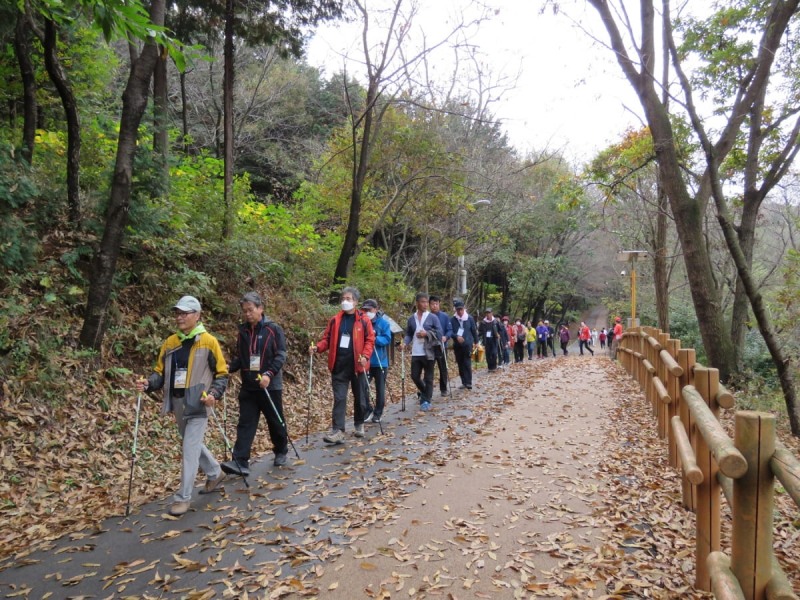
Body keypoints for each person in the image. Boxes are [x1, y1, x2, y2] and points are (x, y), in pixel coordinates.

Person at [134, 295, 228, 517]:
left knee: (189, 449)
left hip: (198, 403)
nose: (179, 317)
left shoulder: (208, 341)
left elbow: (222, 374)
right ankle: (215, 472)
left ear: (197, 315)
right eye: (177, 313)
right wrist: (148, 384)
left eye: (185, 313)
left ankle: (183, 498)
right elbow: (160, 373)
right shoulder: (170, 343)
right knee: (192, 444)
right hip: (177, 403)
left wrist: (213, 394)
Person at [223, 292, 289, 474]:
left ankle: (281, 449)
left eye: (251, 310)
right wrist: (228, 367)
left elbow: (281, 354)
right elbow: (241, 356)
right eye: (244, 311)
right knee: (245, 422)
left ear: (261, 309)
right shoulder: (243, 331)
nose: (247, 314)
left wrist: (269, 374)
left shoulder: (273, 329)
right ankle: (241, 460)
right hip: (249, 385)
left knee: (275, 420)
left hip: (269, 384)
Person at [310, 286, 375, 444]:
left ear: (356, 301)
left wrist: (366, 356)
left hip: (358, 366)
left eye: (349, 299)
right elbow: (327, 339)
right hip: (339, 365)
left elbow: (370, 340)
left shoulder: (363, 320)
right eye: (344, 299)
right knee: (339, 398)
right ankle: (338, 430)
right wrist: (317, 347)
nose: (345, 302)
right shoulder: (335, 320)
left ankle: (359, 424)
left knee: (360, 398)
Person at [403, 292, 442, 410]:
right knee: (414, 376)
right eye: (423, 302)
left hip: (429, 352)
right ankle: (426, 391)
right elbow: (409, 334)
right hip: (416, 352)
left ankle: (426, 401)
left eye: (426, 302)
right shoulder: (411, 318)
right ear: (417, 303)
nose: (425, 304)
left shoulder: (432, 317)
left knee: (428, 377)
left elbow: (439, 333)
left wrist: (426, 333)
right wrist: (405, 343)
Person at [361, 298, 392, 423]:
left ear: (376, 309)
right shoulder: (362, 322)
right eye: (365, 310)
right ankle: (367, 410)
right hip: (365, 361)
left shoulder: (383, 323)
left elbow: (387, 339)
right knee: (363, 387)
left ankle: (378, 413)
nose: (367, 312)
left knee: (380, 389)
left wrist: (375, 338)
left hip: (380, 361)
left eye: (370, 309)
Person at [450, 299, 478, 389]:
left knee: (467, 363)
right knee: (460, 363)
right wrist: (456, 337)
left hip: (468, 344)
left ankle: (469, 382)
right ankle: (463, 382)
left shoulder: (469, 318)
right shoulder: (453, 320)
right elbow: (450, 332)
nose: (460, 311)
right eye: (458, 310)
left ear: (464, 309)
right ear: (455, 310)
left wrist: (476, 342)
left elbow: (474, 330)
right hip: (457, 345)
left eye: (461, 309)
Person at [429, 295, 453, 397]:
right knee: (428, 368)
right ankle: (427, 389)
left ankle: (443, 388)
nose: (434, 306)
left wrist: (446, 337)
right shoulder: (426, 316)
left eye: (436, 304)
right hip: (430, 346)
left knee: (443, 367)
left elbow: (450, 330)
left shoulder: (444, 316)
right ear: (429, 305)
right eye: (432, 304)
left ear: (439, 304)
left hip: (442, 345)